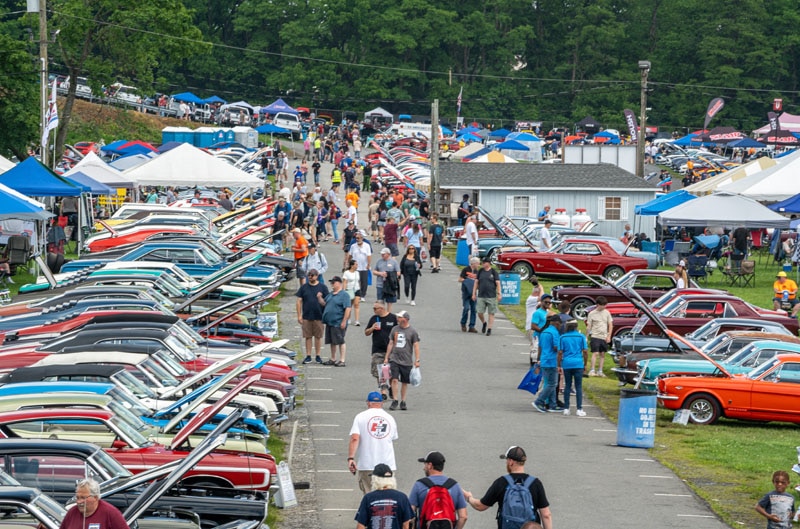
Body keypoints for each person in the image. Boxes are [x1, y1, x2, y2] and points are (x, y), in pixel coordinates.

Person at [462, 446, 552, 529]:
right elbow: (546, 515)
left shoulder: (501, 482)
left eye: (507, 460)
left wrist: (469, 498)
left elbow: (480, 506)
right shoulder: (535, 483)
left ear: (511, 462)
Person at [348, 393, 399, 494]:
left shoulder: (360, 417)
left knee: (369, 495)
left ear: (368, 403)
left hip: (367, 464)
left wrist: (351, 458)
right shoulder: (390, 418)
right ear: (381, 403)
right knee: (388, 495)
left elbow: (354, 438)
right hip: (388, 465)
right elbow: (393, 437)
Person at [408, 451, 468, 529]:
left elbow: (409, 514)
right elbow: (463, 517)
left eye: (425, 464)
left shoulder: (419, 485)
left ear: (430, 465)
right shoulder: (454, 485)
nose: (424, 468)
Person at [355, 464, 414, 529]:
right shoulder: (402, 497)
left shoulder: (368, 498)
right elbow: (406, 524)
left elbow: (360, 525)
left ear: (375, 479)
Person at [384, 310, 421, 411]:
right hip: (394, 359)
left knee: (404, 382)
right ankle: (395, 400)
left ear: (405, 319)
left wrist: (417, 360)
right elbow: (391, 343)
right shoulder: (394, 329)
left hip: (407, 360)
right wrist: (387, 357)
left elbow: (416, 346)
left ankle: (403, 401)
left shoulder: (412, 331)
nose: (397, 319)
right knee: (394, 379)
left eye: (400, 317)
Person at [60, 478, 130, 529]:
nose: (79, 502)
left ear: (95, 497)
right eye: (77, 498)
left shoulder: (111, 513)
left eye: (83, 498)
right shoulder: (72, 513)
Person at [365, 301, 399, 399]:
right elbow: (366, 332)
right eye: (373, 308)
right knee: (380, 371)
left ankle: (392, 387)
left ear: (382, 308)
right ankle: (383, 391)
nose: (374, 310)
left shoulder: (393, 318)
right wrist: (372, 328)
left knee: (391, 371)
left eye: (375, 308)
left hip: (391, 350)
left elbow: (398, 332)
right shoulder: (374, 319)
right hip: (377, 349)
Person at [296, 268, 329, 364]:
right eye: (309, 275)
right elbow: (299, 301)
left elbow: (327, 302)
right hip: (306, 316)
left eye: (312, 275)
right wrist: (299, 315)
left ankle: (318, 355)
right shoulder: (304, 287)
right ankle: (308, 355)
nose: (310, 277)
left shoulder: (323, 287)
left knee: (318, 337)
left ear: (317, 276)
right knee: (308, 336)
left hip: (319, 316)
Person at [532, 313, 562, 413]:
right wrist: (563, 348)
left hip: (544, 359)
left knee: (550, 382)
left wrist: (538, 359)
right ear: (557, 323)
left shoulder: (544, 332)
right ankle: (539, 401)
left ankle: (552, 404)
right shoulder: (554, 333)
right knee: (553, 384)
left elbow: (540, 347)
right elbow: (555, 347)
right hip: (552, 360)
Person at [319, 275, 351, 366]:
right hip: (330, 322)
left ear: (339, 283)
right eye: (331, 282)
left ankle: (342, 360)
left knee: (340, 340)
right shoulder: (330, 294)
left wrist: (344, 321)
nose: (332, 284)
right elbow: (324, 303)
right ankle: (333, 358)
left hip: (338, 321)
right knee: (332, 341)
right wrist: (319, 297)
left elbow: (348, 308)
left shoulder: (344, 295)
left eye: (334, 282)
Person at [558, 320, 588, 417]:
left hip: (566, 363)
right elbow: (585, 351)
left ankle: (566, 408)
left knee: (567, 385)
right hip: (578, 363)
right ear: (576, 327)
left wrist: (559, 364)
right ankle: (579, 408)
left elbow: (560, 352)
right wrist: (585, 364)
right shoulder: (581, 336)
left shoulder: (562, 337)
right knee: (578, 386)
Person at [473, 257, 501, 336]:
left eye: (485, 262)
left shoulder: (493, 272)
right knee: (479, 312)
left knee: (491, 313)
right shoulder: (480, 271)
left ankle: (489, 328)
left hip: (491, 296)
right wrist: (474, 293)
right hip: (481, 295)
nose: (483, 264)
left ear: (489, 263)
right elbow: (476, 282)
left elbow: (498, 283)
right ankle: (484, 322)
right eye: (483, 262)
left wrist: (499, 293)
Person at [585, 295, 613, 378]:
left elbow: (610, 324)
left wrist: (609, 336)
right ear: (598, 304)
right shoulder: (592, 313)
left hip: (604, 336)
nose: (604, 306)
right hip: (595, 335)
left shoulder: (607, 312)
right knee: (595, 353)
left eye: (605, 305)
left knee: (602, 354)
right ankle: (592, 370)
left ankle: (600, 370)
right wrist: (586, 336)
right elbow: (589, 326)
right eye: (602, 305)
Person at [349, 230, 372, 302]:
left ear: (362, 238)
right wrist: (348, 263)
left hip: (364, 266)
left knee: (364, 281)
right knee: (356, 280)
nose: (357, 239)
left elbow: (369, 255)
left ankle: (363, 295)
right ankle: (357, 294)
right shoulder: (353, 246)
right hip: (355, 267)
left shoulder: (367, 246)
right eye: (356, 238)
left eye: (359, 238)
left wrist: (368, 264)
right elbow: (350, 255)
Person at [525, 276, 545, 354]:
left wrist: (538, 285)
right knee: (534, 345)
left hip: (537, 325)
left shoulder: (536, 299)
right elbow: (542, 297)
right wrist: (541, 287)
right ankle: (533, 361)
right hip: (531, 326)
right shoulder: (531, 299)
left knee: (537, 345)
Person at [459, 257, 479, 333]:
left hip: (473, 293)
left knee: (474, 309)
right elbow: (460, 279)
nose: (478, 265)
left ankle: (472, 326)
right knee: (466, 308)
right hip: (466, 292)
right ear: (473, 263)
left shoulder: (478, 272)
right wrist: (467, 281)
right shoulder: (466, 270)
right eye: (477, 263)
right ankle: (463, 323)